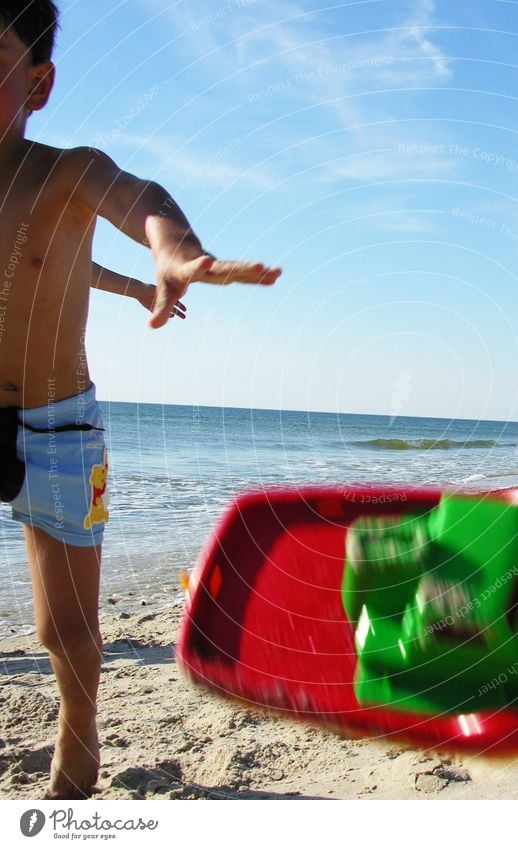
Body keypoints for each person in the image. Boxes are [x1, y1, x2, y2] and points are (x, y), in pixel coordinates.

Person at [0, 0, 280, 799]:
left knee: (64, 625)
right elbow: (50, 272)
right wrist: (129, 287)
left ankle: (78, 731)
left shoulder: (66, 171)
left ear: (38, 82)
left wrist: (176, 253)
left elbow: (137, 195)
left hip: (57, 427)